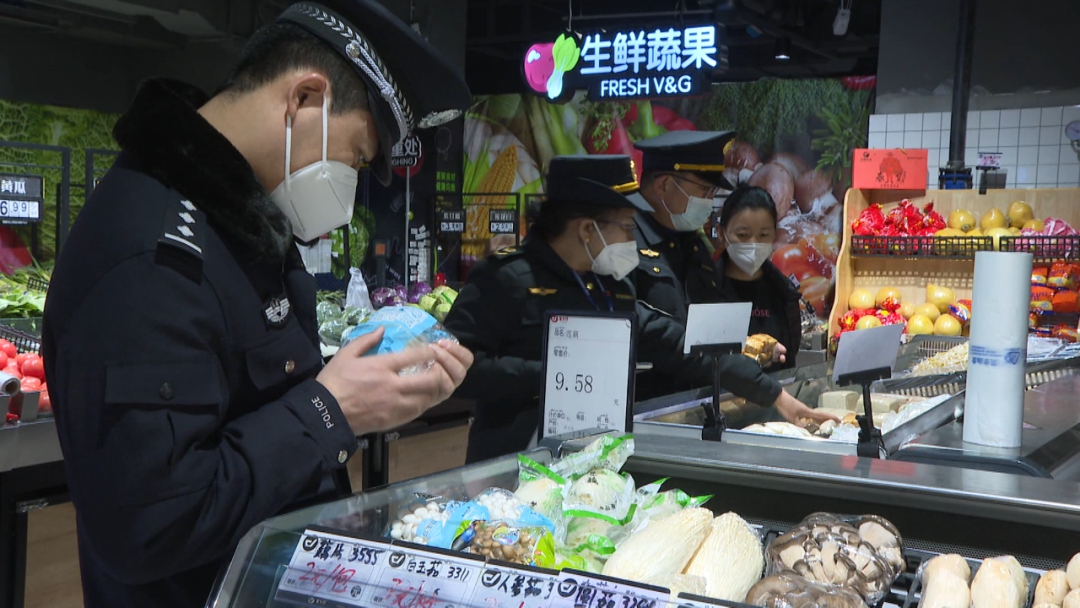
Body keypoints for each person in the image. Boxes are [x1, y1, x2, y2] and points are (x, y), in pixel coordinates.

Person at [41, 2, 474, 606]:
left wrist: (363, 389)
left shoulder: (242, 228)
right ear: (304, 98)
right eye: (355, 157)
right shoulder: (152, 254)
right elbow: (150, 524)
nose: (349, 190)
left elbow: (253, 407)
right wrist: (332, 409)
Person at [443, 155, 831, 463]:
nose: (633, 239)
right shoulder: (504, 279)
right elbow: (455, 371)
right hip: (511, 461)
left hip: (592, 462)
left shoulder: (610, 287)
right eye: (627, 227)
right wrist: (553, 375)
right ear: (587, 229)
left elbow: (681, 346)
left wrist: (774, 395)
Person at [630, 130, 738, 325]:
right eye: (704, 190)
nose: (709, 201)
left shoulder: (693, 244)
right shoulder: (621, 241)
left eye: (712, 193)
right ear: (663, 186)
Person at [714, 186, 803, 369]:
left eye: (763, 235)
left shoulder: (784, 292)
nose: (753, 243)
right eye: (743, 235)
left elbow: (790, 357)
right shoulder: (705, 288)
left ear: (775, 234)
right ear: (722, 234)